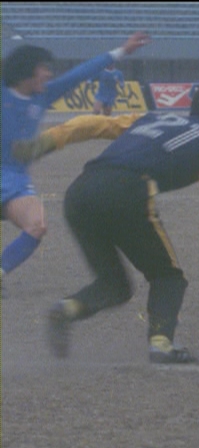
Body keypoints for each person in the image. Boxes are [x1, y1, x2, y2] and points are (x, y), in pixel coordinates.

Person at [18, 84, 199, 364]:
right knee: (167, 276)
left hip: (80, 192)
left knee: (114, 286)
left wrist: (45, 142)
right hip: (128, 192)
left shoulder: (153, 118)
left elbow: (94, 124)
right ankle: (161, 343)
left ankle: (65, 309)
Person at [1, 32, 150, 283]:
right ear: (26, 70)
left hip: (14, 178)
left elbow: (81, 72)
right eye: (43, 69)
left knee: (37, 225)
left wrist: (122, 51)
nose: (48, 74)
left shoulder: (44, 94)